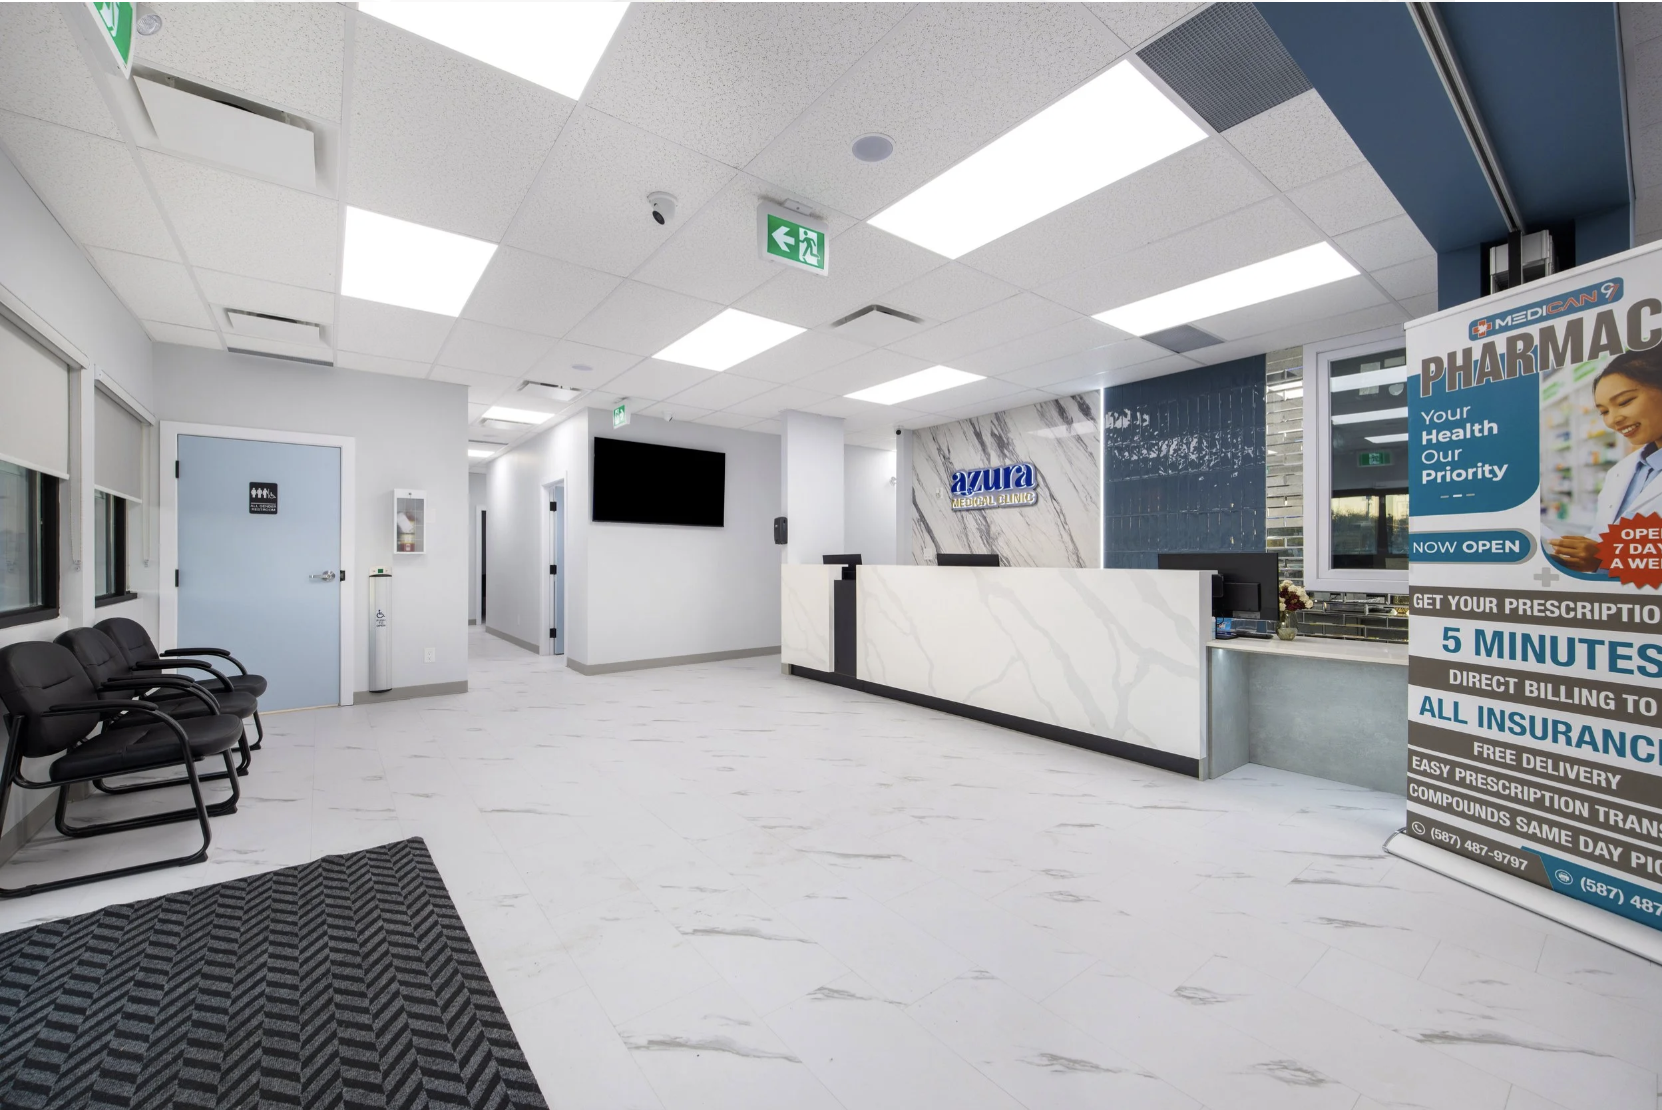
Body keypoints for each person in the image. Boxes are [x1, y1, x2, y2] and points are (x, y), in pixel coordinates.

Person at [1548, 347, 1662, 572]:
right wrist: (1578, 555)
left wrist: (1609, 555)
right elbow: (1603, 538)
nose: (1613, 420)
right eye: (1603, 411)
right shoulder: (1622, 472)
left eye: (1624, 401)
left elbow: (1608, 552)